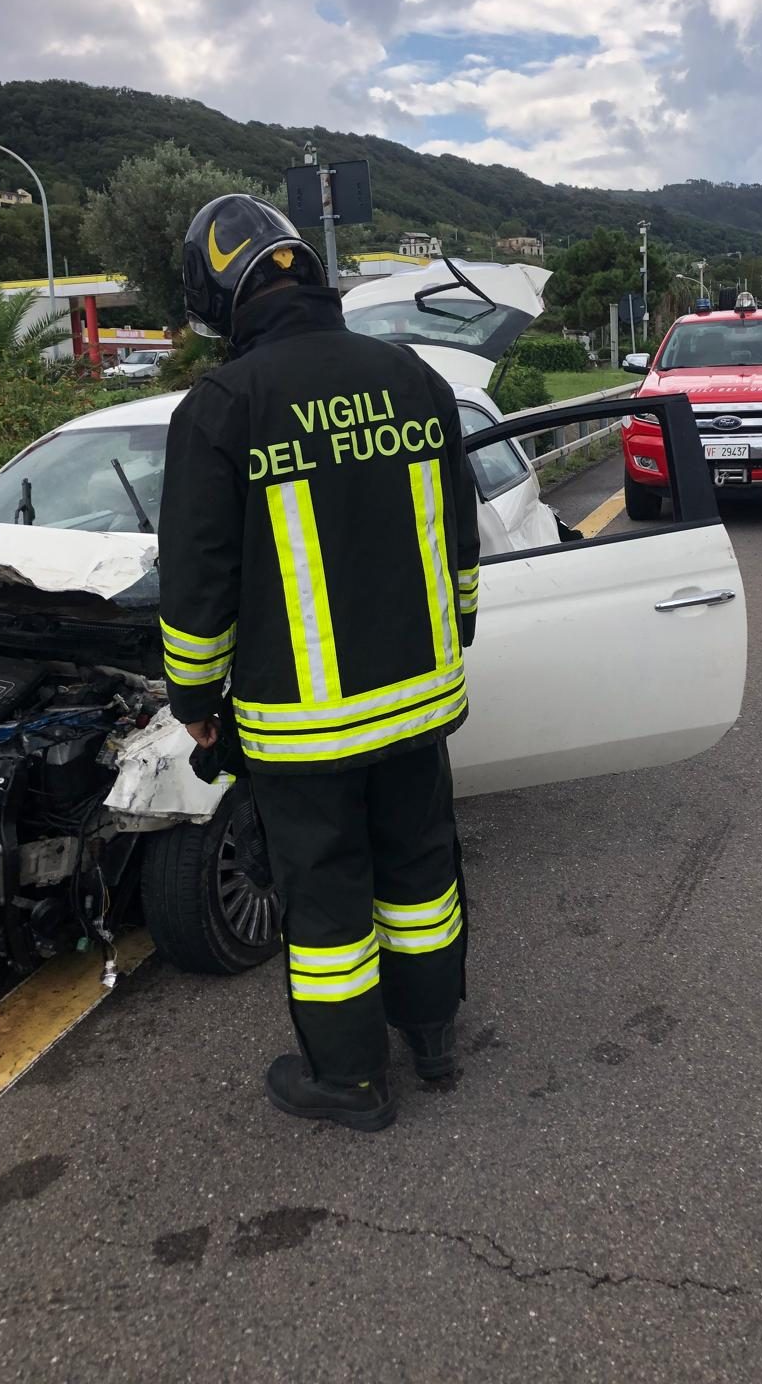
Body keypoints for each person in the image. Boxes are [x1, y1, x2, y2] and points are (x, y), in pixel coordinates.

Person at [157, 194, 480, 1133]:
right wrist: (455, 638)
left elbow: (198, 579)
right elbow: (460, 543)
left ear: (221, 294)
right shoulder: (412, 378)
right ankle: (433, 1040)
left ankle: (349, 1080)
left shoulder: (223, 406)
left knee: (328, 899)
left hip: (305, 722)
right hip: (422, 699)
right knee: (422, 873)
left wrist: (196, 698)